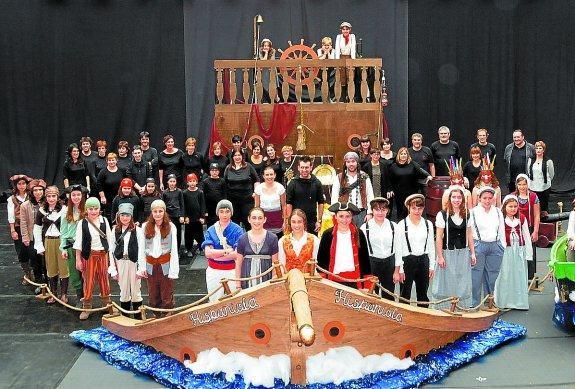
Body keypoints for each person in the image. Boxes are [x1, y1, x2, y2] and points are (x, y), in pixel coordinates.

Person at [432, 187, 476, 309]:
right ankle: (445, 307)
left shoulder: (467, 214)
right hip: (447, 252)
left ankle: (461, 307)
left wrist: (472, 253)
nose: (456, 200)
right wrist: (440, 256)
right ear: (449, 199)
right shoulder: (442, 215)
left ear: (463, 199)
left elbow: (470, 234)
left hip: (463, 252)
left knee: (461, 280)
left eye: (459, 197)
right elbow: (439, 237)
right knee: (447, 280)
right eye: (454, 197)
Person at [73, 197, 115, 320]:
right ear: (86, 210)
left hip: (102, 254)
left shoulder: (104, 221)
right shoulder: (82, 223)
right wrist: (78, 259)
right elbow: (78, 243)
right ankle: (87, 306)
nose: (93, 211)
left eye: (96, 208)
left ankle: (106, 303)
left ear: (99, 209)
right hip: (89, 255)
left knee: (104, 280)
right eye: (90, 209)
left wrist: (111, 259)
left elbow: (109, 239)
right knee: (88, 280)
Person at [137, 200, 179, 313]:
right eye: (155, 211)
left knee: (166, 292)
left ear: (164, 212)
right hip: (150, 264)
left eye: (160, 211)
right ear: (152, 212)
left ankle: (167, 315)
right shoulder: (145, 226)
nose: (158, 214)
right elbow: (141, 249)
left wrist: (173, 270)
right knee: (153, 293)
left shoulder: (171, 226)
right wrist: (142, 267)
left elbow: (174, 249)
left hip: (165, 264)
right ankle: (156, 315)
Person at [317, 202, 371, 289]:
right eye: (341, 216)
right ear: (335, 217)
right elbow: (322, 261)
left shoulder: (359, 233)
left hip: (354, 281)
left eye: (347, 216)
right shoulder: (327, 234)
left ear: (351, 217)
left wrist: (367, 285)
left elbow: (365, 261)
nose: (344, 220)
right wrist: (322, 284)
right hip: (333, 280)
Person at [469, 186, 505, 307]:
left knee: (492, 275)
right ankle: (475, 303)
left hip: (495, 246)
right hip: (478, 244)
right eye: (485, 198)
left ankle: (489, 302)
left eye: (490, 198)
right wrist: (472, 249)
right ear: (479, 198)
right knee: (476, 275)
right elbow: (469, 232)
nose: (487, 201)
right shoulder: (473, 212)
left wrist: (502, 245)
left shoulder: (498, 211)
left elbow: (502, 230)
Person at [494, 195, 532, 310]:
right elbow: (498, 236)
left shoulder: (521, 219)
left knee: (518, 274)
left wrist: (528, 253)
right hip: (506, 251)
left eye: (515, 206)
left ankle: (519, 302)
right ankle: (503, 301)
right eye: (510, 206)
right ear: (505, 207)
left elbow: (526, 236)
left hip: (518, 252)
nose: (513, 209)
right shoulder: (500, 219)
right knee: (505, 274)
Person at [396, 194, 435, 306]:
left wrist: (431, 265)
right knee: (405, 294)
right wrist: (401, 269)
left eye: (420, 208)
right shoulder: (401, 225)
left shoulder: (428, 224)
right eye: (414, 208)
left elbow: (431, 246)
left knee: (423, 294)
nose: (417, 211)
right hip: (407, 261)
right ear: (408, 207)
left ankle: (422, 318)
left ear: (423, 208)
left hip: (423, 261)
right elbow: (398, 248)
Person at [201, 200, 244, 302]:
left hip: (232, 271)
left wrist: (215, 254)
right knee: (214, 301)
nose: (224, 214)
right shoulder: (211, 230)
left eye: (227, 211)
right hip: (214, 271)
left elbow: (236, 254)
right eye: (221, 211)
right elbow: (208, 253)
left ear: (231, 213)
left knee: (235, 301)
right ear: (217, 213)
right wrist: (226, 251)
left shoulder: (237, 230)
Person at [360, 197, 401, 300]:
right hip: (372, 263)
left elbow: (399, 250)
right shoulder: (365, 228)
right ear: (372, 211)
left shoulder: (394, 226)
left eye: (383, 209)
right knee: (372, 296)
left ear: (387, 210)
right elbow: (362, 254)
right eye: (377, 209)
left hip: (389, 263)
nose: (380, 213)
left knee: (389, 296)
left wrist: (397, 271)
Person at [108, 203, 145, 318]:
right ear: (119, 216)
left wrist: (141, 268)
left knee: (135, 290)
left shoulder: (138, 231)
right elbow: (111, 250)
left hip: (134, 262)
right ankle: (125, 318)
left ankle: (138, 318)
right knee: (123, 290)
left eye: (127, 215)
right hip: (120, 262)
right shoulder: (114, 231)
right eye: (123, 215)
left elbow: (142, 250)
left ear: (131, 216)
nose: (125, 218)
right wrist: (113, 269)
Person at [34, 186, 68, 304]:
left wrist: (67, 243)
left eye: (54, 196)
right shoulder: (42, 211)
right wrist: (39, 245)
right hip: (48, 241)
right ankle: (53, 294)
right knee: (51, 268)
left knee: (64, 268)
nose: (51, 198)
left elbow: (68, 227)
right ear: (46, 197)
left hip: (61, 241)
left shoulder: (64, 209)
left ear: (57, 197)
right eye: (49, 196)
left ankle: (64, 294)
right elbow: (37, 229)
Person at [235, 207, 279, 289]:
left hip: (266, 281)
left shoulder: (273, 238)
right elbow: (238, 264)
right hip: (247, 280)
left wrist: (273, 283)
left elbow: (275, 264)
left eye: (260, 218)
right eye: (254, 218)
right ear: (249, 219)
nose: (257, 221)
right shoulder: (242, 239)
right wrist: (238, 285)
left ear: (264, 219)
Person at [59, 184, 88, 307]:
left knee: (86, 272)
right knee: (74, 272)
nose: (76, 197)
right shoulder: (66, 211)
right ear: (70, 196)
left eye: (78, 195)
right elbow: (63, 231)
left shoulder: (87, 210)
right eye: (73, 195)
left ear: (82, 196)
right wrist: (63, 248)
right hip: (71, 246)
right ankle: (79, 297)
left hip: (85, 246)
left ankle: (87, 297)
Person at [386, 147, 431, 221]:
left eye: (405, 154)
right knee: (401, 212)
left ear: (407, 155)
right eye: (402, 154)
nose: (403, 155)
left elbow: (421, 171)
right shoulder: (393, 166)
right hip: (399, 193)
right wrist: (390, 189)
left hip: (411, 193)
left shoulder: (413, 164)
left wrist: (428, 175)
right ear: (398, 155)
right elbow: (389, 179)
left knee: (411, 211)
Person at [331, 151, 374, 226]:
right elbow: (334, 197)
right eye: (348, 162)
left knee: (361, 236)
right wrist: (334, 214)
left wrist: (370, 213)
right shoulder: (339, 177)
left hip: (362, 213)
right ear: (345, 163)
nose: (351, 164)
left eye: (353, 161)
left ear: (357, 162)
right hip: (345, 214)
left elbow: (370, 195)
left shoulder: (364, 176)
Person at [286, 156, 325, 234]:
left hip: (312, 222)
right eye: (302, 167)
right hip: (296, 222)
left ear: (311, 168)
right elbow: (289, 204)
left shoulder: (317, 183)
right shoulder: (292, 183)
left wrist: (319, 221)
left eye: (306, 167)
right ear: (298, 168)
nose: (304, 170)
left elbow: (321, 203)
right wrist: (290, 221)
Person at [20, 179, 47, 287]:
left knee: (46, 261)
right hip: (32, 237)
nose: (38, 192)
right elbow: (23, 222)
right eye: (35, 190)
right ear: (31, 192)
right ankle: (39, 283)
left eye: (40, 189)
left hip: (46, 236)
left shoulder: (48, 203)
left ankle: (48, 283)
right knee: (35, 261)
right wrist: (25, 237)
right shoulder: (25, 205)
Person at [513, 174, 540, 282]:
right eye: (519, 184)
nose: (522, 187)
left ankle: (530, 277)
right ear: (516, 185)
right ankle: (518, 276)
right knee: (517, 251)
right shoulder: (512, 196)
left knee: (530, 251)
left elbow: (537, 215)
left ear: (527, 184)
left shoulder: (534, 197)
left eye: (524, 184)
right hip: (516, 229)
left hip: (529, 228)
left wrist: (536, 231)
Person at [223, 149, 260, 228]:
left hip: (247, 200)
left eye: (239, 155)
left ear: (242, 156)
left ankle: (249, 239)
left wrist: (255, 192)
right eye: (235, 155)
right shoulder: (228, 168)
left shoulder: (248, 166)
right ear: (232, 157)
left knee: (247, 222)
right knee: (234, 223)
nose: (237, 157)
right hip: (233, 200)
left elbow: (256, 180)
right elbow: (224, 183)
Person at [7, 174, 31, 284]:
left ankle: (36, 272)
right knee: (21, 251)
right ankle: (27, 273)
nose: (21, 186)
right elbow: (11, 216)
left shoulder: (31, 196)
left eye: (23, 183)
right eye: (19, 184)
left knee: (33, 250)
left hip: (30, 227)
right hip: (18, 227)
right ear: (16, 186)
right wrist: (12, 230)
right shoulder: (12, 199)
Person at [254, 165, 286, 237]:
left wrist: (285, 222)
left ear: (275, 175)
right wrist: (256, 221)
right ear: (263, 176)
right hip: (263, 221)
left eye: (271, 174)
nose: (269, 177)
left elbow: (284, 206)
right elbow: (256, 207)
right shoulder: (258, 188)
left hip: (277, 220)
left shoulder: (280, 187)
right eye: (267, 175)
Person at [183, 173, 206, 258]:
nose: (192, 183)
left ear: (196, 182)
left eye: (194, 181)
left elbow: (203, 205)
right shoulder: (184, 193)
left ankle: (201, 248)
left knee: (199, 234)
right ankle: (189, 249)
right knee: (188, 235)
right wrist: (185, 216)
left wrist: (202, 217)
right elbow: (183, 205)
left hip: (198, 217)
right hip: (189, 218)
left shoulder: (200, 192)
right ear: (187, 182)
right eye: (190, 181)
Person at [527, 140, 554, 215]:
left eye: (540, 148)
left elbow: (551, 174)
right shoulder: (531, 160)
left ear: (543, 150)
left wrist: (545, 181)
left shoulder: (548, 161)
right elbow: (528, 171)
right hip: (533, 187)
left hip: (544, 188)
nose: (538, 150)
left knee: (544, 208)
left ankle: (545, 223)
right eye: (537, 148)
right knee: (534, 206)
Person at [97, 152, 125, 221]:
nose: (111, 162)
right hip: (107, 199)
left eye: (113, 160)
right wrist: (102, 197)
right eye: (109, 160)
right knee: (109, 217)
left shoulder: (121, 171)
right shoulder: (103, 172)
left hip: (120, 197)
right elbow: (99, 185)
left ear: (116, 160)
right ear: (107, 161)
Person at [161, 174, 185, 251]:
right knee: (168, 233)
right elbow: (163, 205)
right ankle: (168, 249)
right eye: (170, 181)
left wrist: (182, 215)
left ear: (176, 182)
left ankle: (177, 250)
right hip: (168, 216)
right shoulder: (164, 192)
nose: (172, 183)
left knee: (177, 233)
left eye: (174, 181)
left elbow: (182, 204)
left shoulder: (179, 191)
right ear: (167, 182)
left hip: (177, 215)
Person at [201, 163, 227, 227]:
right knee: (210, 225)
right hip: (209, 207)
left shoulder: (222, 181)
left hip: (219, 206)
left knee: (220, 224)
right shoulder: (205, 181)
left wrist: (224, 206)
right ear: (210, 171)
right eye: (212, 170)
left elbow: (224, 194)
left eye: (216, 170)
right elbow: (203, 196)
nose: (214, 172)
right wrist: (205, 209)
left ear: (219, 171)